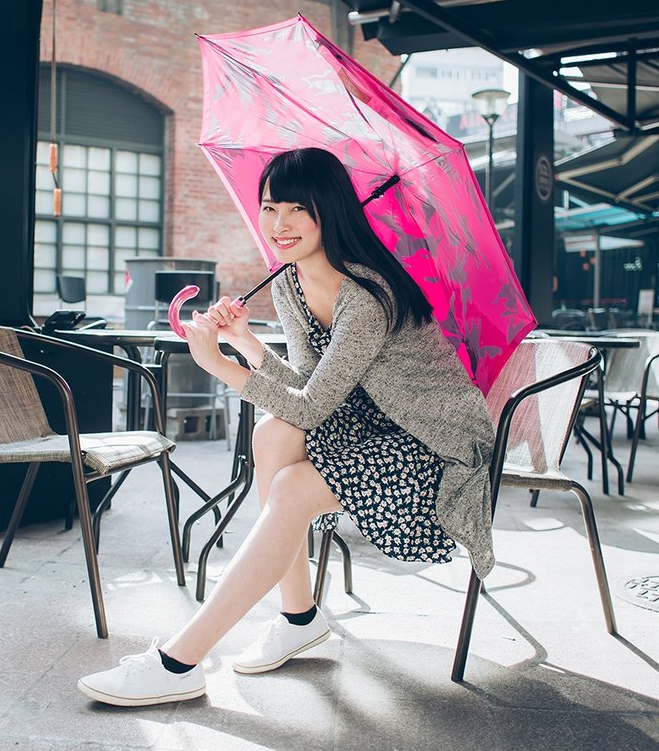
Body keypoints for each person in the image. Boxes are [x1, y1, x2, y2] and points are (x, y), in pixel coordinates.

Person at [77, 147, 496, 707]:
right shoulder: (288, 285)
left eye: (298, 209)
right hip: (370, 429)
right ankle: (299, 617)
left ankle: (180, 661)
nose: (280, 225)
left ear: (331, 210)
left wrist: (220, 366)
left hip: (438, 448)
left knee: (294, 483)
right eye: (270, 208)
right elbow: (305, 387)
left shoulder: (368, 294)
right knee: (273, 434)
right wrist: (246, 343)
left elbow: (313, 406)